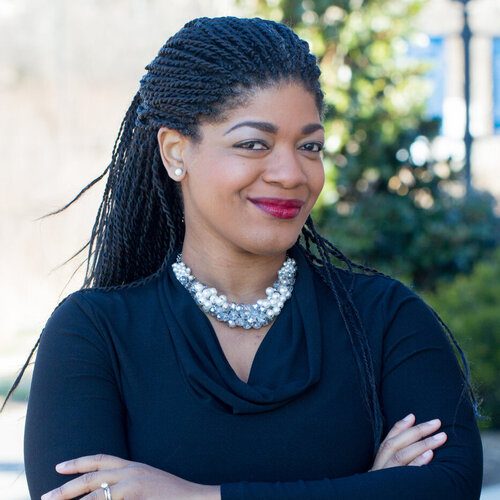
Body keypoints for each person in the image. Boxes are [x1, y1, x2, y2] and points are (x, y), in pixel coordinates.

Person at [3, 15, 482, 499]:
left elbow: (448, 487)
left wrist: (193, 496)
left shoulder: (386, 320)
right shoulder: (94, 333)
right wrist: (370, 489)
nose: (291, 173)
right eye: (254, 144)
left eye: (309, 146)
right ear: (175, 152)